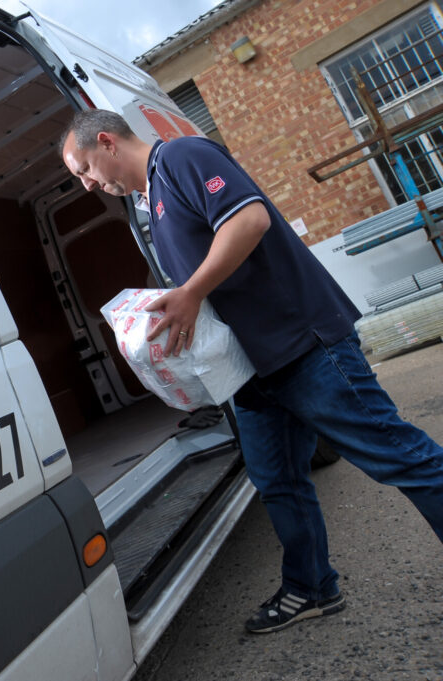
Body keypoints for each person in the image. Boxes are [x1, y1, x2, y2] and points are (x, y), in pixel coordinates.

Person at [59, 109, 443, 634]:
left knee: (397, 456)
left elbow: (249, 220)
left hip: (301, 345)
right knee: (277, 480)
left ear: (105, 143)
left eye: (83, 169)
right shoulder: (151, 202)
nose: (87, 185)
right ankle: (311, 587)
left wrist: (190, 292)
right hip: (254, 369)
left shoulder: (181, 157)